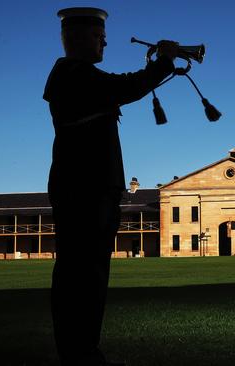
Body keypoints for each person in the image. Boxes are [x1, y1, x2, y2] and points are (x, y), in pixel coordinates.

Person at [43, 7, 178, 365]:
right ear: (76, 37)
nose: (105, 40)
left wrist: (160, 64)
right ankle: (79, 352)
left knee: (90, 273)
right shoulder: (72, 74)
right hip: (83, 189)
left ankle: (82, 349)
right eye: (97, 34)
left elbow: (121, 87)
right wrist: (163, 62)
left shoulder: (78, 76)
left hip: (93, 188)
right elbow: (126, 86)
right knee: (83, 275)